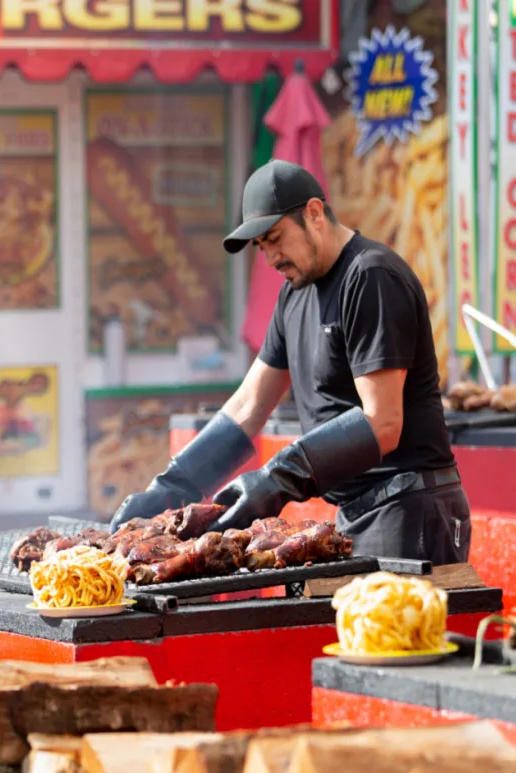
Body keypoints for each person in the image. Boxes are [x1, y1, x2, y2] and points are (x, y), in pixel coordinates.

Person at [110, 160, 470, 565]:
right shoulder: (294, 293)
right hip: (357, 512)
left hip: (410, 506)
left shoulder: (371, 276)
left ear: (314, 213)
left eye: (275, 238)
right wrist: (171, 487)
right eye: (261, 246)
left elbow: (383, 422)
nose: (269, 257)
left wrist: (278, 478)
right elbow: (249, 407)